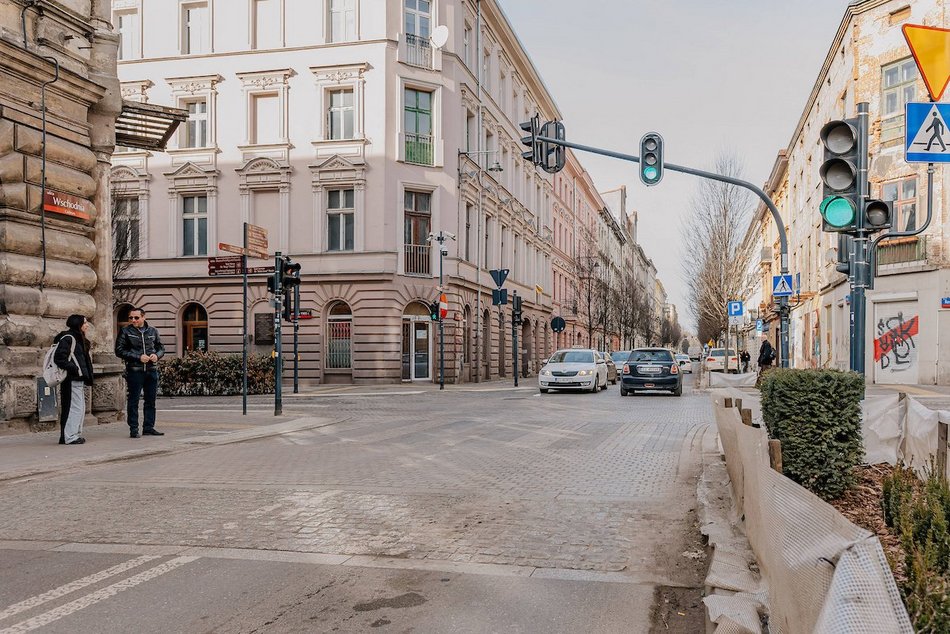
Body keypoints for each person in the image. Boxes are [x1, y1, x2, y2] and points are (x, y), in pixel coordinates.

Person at [115, 307, 166, 438]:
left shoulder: (153, 331)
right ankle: (133, 428)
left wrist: (157, 355)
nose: (133, 320)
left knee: (151, 401)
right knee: (134, 400)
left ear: (144, 317)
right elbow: (119, 350)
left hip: (151, 370)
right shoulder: (125, 331)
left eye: (136, 318)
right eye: (131, 318)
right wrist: (138, 357)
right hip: (135, 371)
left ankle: (148, 427)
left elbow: (161, 348)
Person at [54, 314, 94, 445]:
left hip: (78, 378)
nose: (87, 325)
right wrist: (74, 369)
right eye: (85, 322)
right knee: (73, 407)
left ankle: (74, 434)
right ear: (78, 324)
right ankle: (69, 436)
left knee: (79, 407)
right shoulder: (69, 338)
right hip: (71, 379)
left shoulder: (79, 338)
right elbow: (59, 358)